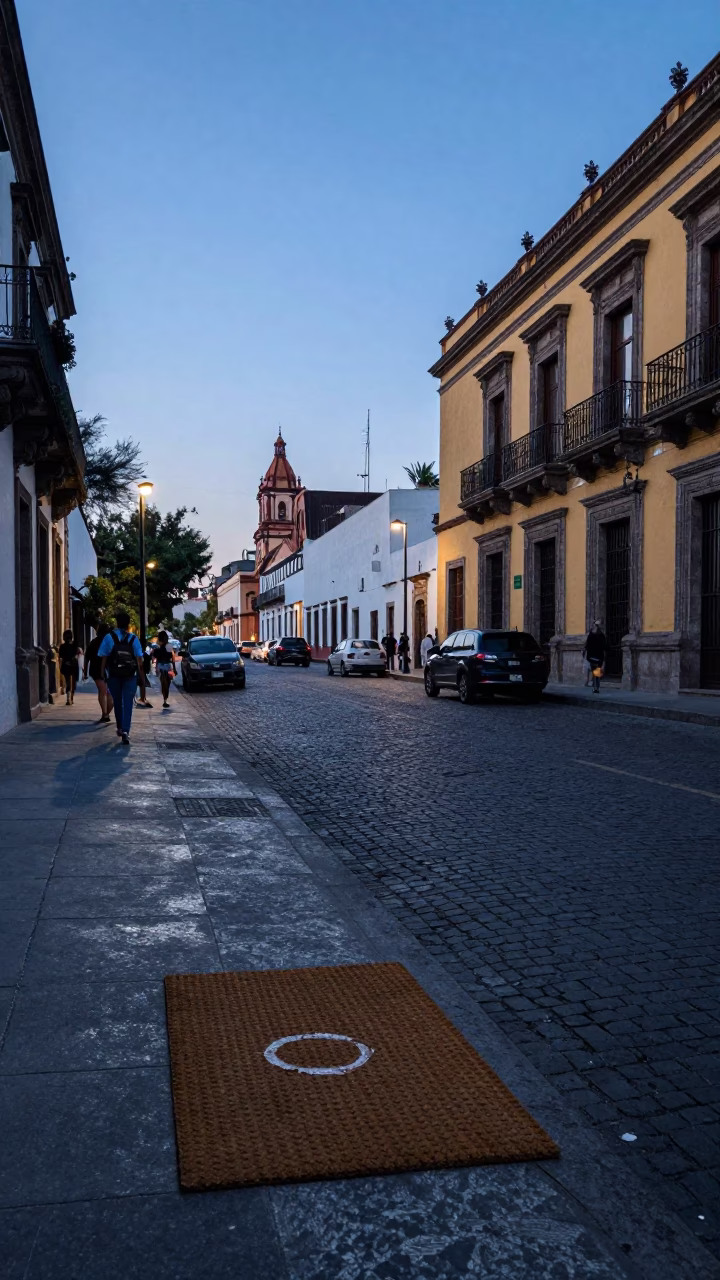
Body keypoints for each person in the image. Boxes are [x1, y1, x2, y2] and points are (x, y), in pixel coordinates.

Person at [98, 611, 146, 744]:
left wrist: (102, 673)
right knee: (128, 703)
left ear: (117, 623)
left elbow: (103, 656)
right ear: (128, 624)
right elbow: (139, 661)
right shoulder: (133, 639)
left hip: (113, 674)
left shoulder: (109, 637)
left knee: (117, 701)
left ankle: (119, 726)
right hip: (130, 675)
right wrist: (142, 677)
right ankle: (125, 730)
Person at [83, 622, 114, 723]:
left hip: (96, 670)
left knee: (103, 692)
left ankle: (105, 714)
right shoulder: (110, 642)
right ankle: (105, 714)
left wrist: (85, 672)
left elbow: (87, 658)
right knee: (107, 693)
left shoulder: (93, 642)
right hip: (108, 670)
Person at [152, 629, 177, 708]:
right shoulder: (162, 647)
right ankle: (165, 699)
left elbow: (172, 658)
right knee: (165, 683)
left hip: (164, 666)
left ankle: (165, 699)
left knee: (166, 684)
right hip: (164, 667)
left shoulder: (165, 646)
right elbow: (172, 658)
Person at [58, 630, 83, 705]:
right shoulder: (75, 645)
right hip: (74, 665)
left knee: (68, 681)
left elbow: (61, 658)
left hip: (66, 665)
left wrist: (60, 666)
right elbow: (78, 654)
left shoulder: (62, 646)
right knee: (73, 682)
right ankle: (71, 697)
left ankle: (68, 698)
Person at [583, 620, 607, 694]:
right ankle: (597, 687)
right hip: (599, 657)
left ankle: (594, 687)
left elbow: (587, 646)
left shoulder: (591, 635)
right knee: (597, 672)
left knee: (594, 672)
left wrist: (586, 654)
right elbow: (605, 646)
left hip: (592, 657)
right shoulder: (602, 635)